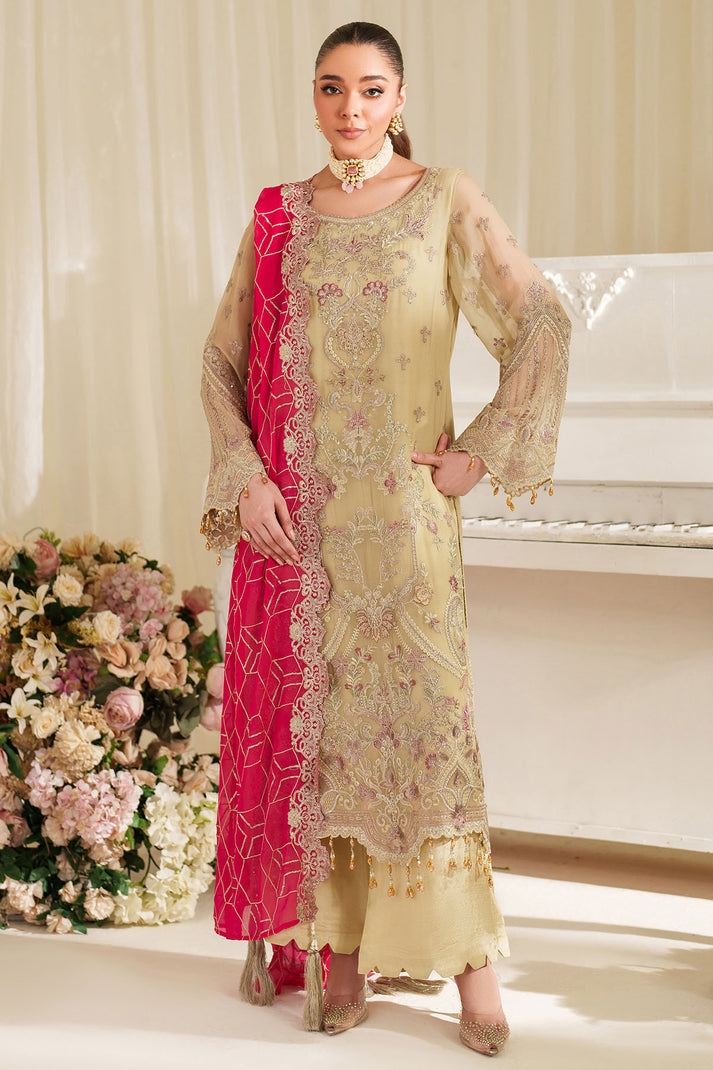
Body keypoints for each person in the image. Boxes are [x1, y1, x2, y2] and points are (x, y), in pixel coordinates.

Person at [200, 20, 570, 1056]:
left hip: (407, 532)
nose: (350, 107)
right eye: (331, 87)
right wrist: (246, 477)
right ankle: (340, 951)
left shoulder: (442, 198)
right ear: (313, 98)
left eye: (369, 88)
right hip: (304, 539)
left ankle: (468, 962)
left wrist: (478, 452)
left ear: (398, 99)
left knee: (426, 734)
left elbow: (541, 320)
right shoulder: (279, 217)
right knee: (325, 748)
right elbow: (221, 360)